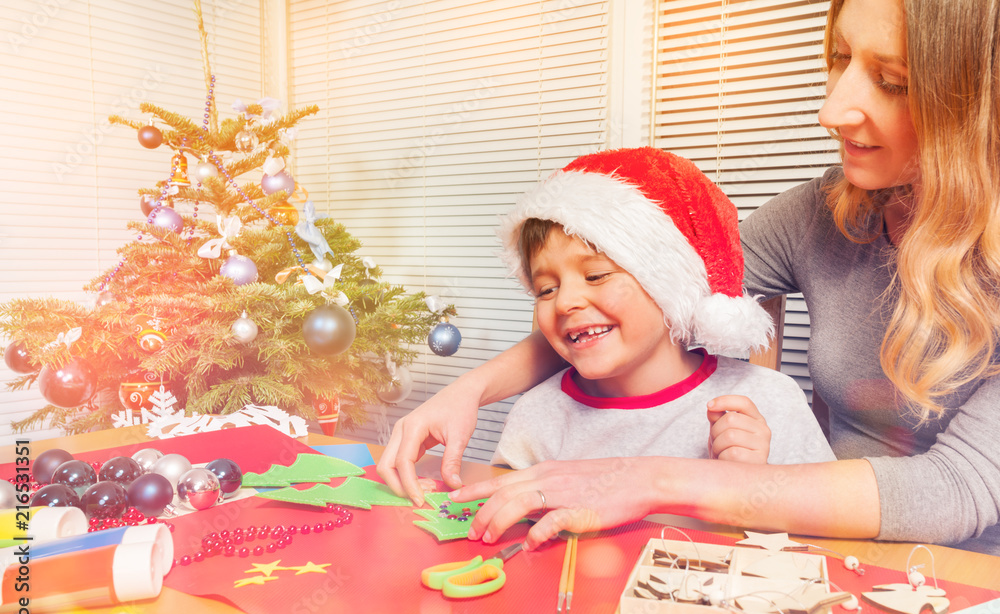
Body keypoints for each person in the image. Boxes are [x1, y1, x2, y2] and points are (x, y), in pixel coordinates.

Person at [377, 0, 1000, 555]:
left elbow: (958, 487)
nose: (830, 109)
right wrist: (469, 390)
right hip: (837, 549)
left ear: (980, 101)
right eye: (839, 59)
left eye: (892, 81)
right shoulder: (827, 210)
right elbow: (649, 292)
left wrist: (652, 478)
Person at [491, 147, 834, 469]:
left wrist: (751, 486)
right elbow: (505, 526)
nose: (565, 302)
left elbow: (825, 526)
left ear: (669, 283)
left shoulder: (769, 401)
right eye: (546, 289)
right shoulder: (536, 417)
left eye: (595, 276)